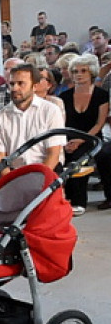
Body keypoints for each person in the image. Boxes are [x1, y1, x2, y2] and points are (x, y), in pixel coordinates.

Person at [0, 64, 67, 173]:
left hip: (47, 171)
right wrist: (10, 182)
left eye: (21, 83)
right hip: (14, 174)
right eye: (12, 84)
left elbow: (53, 154)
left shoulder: (51, 111)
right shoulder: (1, 116)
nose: (15, 88)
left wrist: (38, 180)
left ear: (34, 86)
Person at [59, 54, 108, 215]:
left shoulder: (101, 95)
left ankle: (79, 202)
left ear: (91, 73)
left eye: (83, 71)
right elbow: (62, 123)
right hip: (68, 137)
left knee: (78, 157)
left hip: (92, 138)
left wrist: (80, 140)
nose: (78, 74)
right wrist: (68, 141)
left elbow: (99, 124)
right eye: (75, 71)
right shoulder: (64, 97)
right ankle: (63, 199)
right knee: (61, 155)